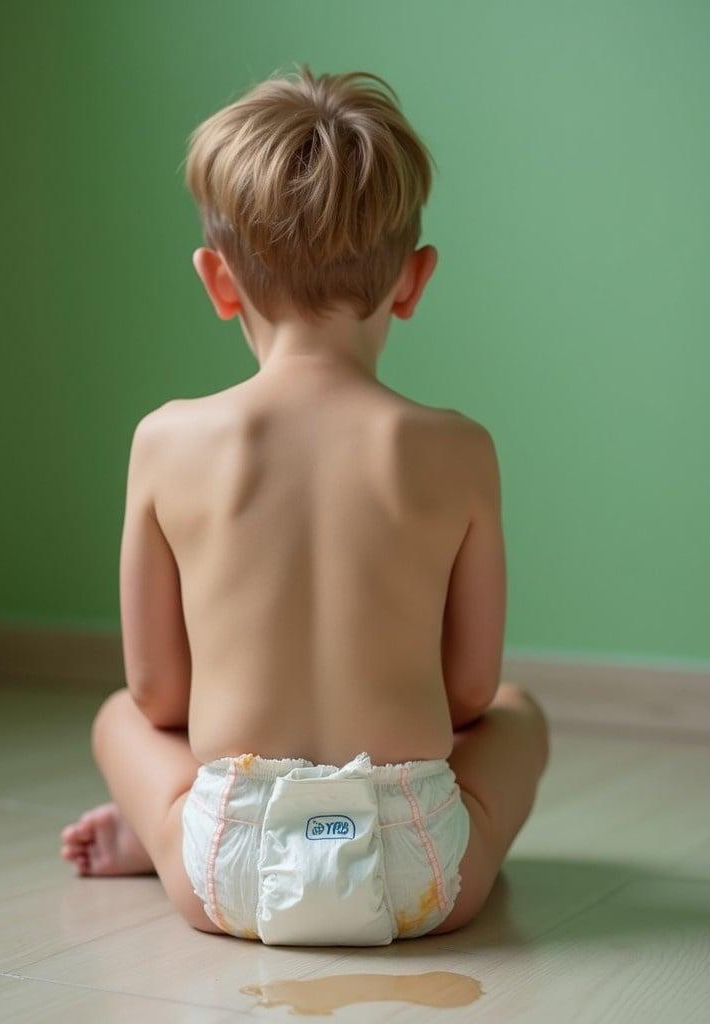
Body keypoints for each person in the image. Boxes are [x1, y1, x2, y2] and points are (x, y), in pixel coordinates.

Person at [60, 63, 549, 944]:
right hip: (415, 860)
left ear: (218, 281)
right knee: (520, 715)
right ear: (413, 279)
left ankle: (168, 835)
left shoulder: (168, 440)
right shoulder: (457, 448)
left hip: (230, 863)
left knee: (115, 719)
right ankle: (446, 857)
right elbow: (471, 692)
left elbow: (158, 694)